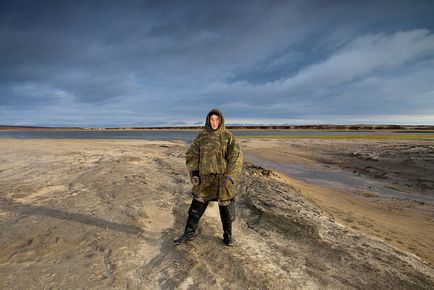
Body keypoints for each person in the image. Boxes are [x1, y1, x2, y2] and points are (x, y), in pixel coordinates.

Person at [174, 108, 243, 246]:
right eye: (211, 119)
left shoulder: (228, 137)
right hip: (205, 179)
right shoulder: (202, 137)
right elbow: (192, 154)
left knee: (226, 209)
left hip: (222, 180)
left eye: (216, 119)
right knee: (195, 208)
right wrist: (194, 172)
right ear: (208, 120)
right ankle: (188, 234)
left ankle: (228, 236)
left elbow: (236, 158)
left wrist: (230, 177)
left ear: (221, 120)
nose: (214, 122)